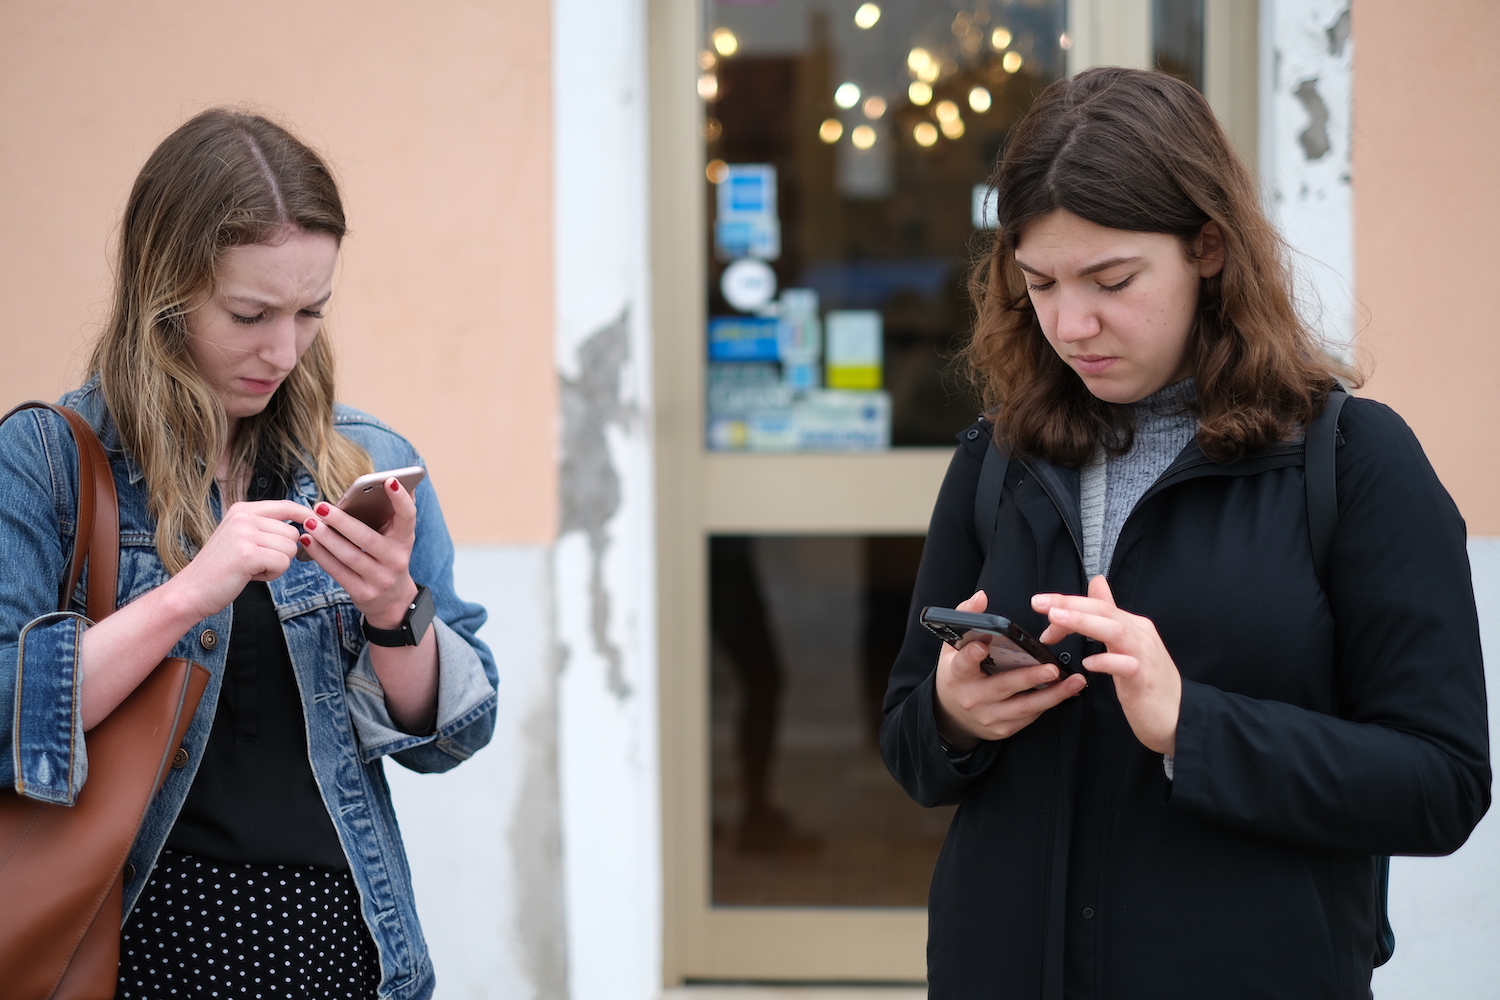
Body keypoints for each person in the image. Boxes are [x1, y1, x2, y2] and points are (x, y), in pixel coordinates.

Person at [880, 67, 1490, 999]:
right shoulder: (997, 457)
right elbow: (908, 744)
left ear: (1209, 248)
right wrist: (954, 715)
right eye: (1039, 283)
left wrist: (1192, 728)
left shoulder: (1355, 460)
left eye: (1112, 280)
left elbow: (1440, 781)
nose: (1070, 324)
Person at [0, 109, 498, 999]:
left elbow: (450, 737)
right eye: (249, 313)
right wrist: (189, 594)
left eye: (311, 311)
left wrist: (396, 615)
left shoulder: (364, 459)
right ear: (164, 289)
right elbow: (7, 718)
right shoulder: (50, 466)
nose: (284, 349)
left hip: (345, 951)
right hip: (133, 951)